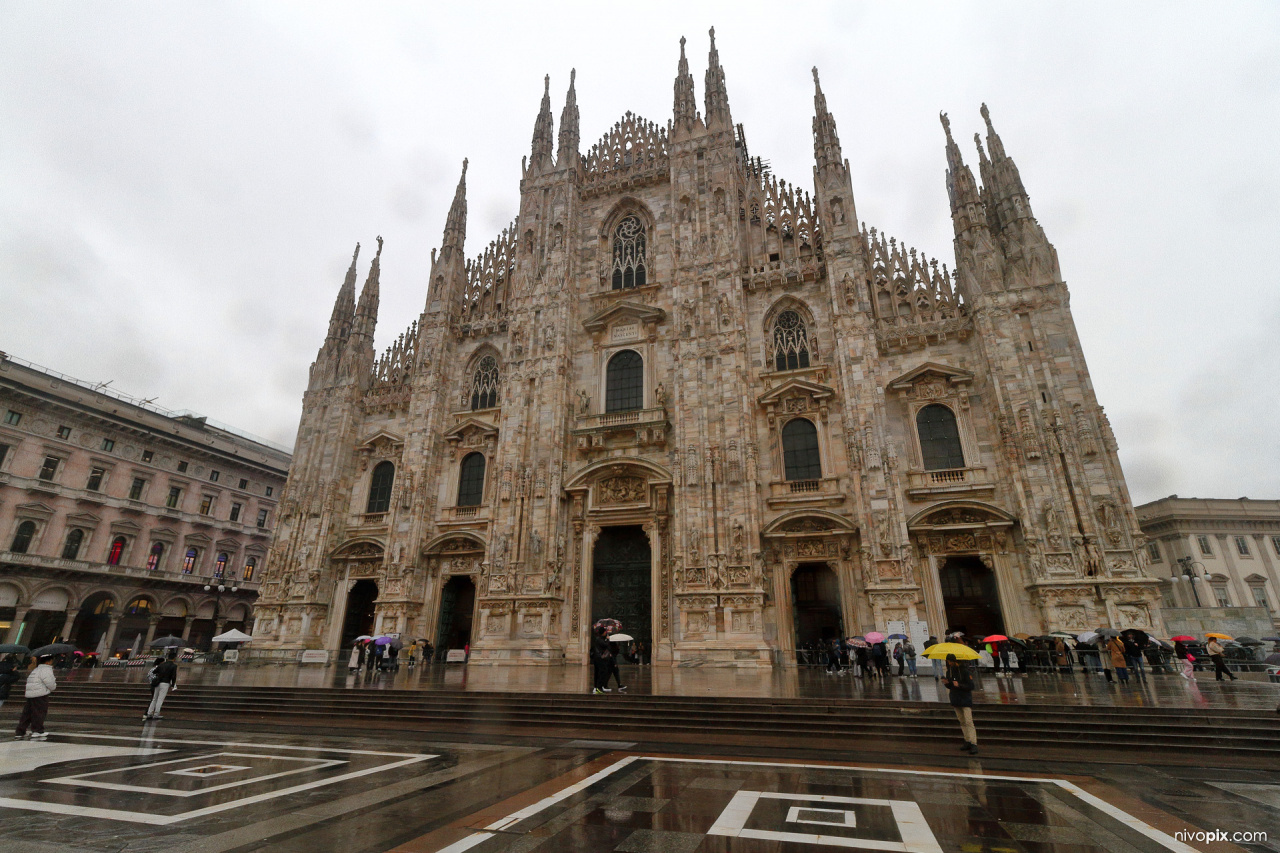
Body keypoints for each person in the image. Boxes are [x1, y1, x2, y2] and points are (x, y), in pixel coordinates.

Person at [14, 654, 56, 739]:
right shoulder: (46, 670)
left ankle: (20, 731)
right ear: (48, 662)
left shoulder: (36, 669)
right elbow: (50, 683)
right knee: (39, 712)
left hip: (31, 694)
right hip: (40, 694)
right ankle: (37, 730)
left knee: (27, 713)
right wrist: (53, 686)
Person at [943, 654, 977, 753]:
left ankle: (974, 743)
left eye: (950, 661)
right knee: (962, 721)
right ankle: (967, 740)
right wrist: (947, 683)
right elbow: (951, 686)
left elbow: (971, 686)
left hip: (965, 699)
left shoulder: (964, 671)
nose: (949, 663)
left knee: (969, 721)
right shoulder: (949, 671)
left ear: (954, 661)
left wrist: (959, 685)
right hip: (955, 698)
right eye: (948, 661)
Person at [145, 654, 178, 720]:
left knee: (154, 698)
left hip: (158, 683)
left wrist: (160, 675)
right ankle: (156, 714)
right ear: (174, 658)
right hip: (165, 683)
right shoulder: (173, 666)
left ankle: (149, 713)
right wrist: (172, 685)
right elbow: (173, 676)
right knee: (160, 699)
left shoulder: (161, 665)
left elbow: (154, 672)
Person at [590, 626, 611, 694]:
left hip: (597, 658)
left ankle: (597, 687)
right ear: (603, 632)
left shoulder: (598, 639)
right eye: (605, 632)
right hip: (600, 658)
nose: (606, 633)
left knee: (597, 672)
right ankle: (598, 687)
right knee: (602, 672)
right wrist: (608, 639)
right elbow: (606, 645)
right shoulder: (599, 639)